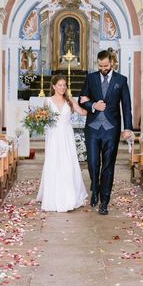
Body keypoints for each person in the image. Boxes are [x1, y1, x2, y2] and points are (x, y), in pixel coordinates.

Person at [79, 50, 133, 215]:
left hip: (111, 130)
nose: (103, 68)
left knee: (108, 166)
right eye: (100, 66)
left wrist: (128, 128)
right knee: (93, 163)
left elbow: (126, 106)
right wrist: (93, 105)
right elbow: (81, 99)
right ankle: (95, 187)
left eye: (106, 66)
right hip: (93, 129)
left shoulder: (121, 80)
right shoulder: (91, 78)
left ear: (112, 63)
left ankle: (104, 201)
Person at [37, 74, 88, 212]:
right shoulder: (47, 101)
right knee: (54, 163)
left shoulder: (70, 100)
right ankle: (52, 197)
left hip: (66, 136)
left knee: (67, 163)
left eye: (64, 85)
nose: (62, 88)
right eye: (59, 85)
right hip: (53, 136)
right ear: (53, 86)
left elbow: (83, 112)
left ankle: (69, 196)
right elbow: (43, 119)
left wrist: (92, 105)